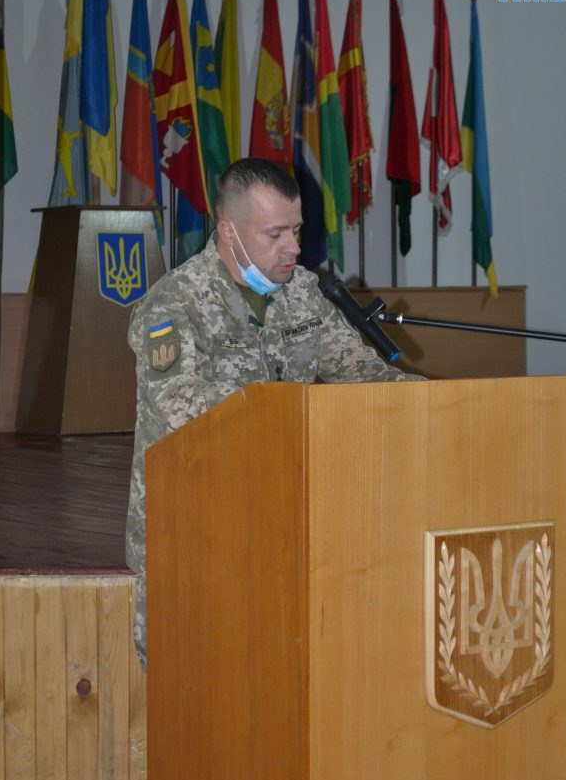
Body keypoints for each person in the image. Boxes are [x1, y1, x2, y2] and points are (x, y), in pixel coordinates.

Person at [126, 157, 421, 666]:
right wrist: (289, 408)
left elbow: (362, 373)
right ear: (229, 231)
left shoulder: (304, 293)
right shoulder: (174, 304)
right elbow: (176, 402)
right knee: (194, 676)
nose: (294, 247)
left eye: (296, 230)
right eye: (275, 233)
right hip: (195, 527)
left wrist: (432, 402)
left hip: (286, 519)